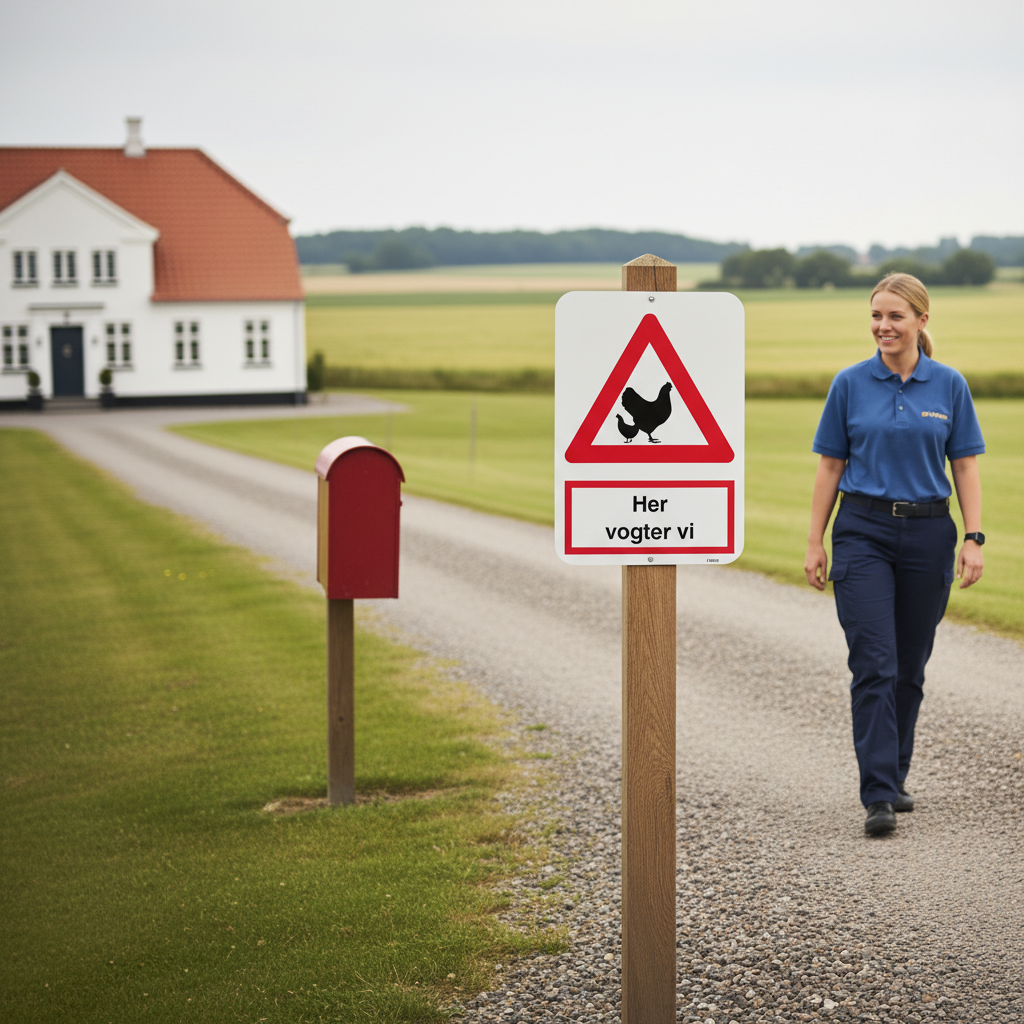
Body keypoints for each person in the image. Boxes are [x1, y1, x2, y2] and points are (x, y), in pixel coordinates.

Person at [803, 272, 985, 837]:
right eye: (876, 316)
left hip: (930, 534)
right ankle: (878, 793)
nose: (883, 326)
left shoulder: (948, 385)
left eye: (895, 316)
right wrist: (816, 540)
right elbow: (831, 466)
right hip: (862, 531)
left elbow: (965, 467)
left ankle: (896, 775)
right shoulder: (850, 384)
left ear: (921, 321)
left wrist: (974, 538)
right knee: (875, 664)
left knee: (909, 667)